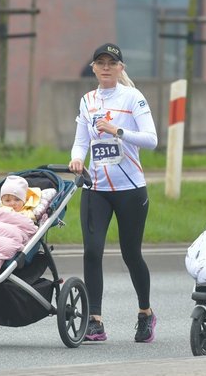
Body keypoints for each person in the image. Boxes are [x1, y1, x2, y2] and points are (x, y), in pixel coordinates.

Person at [68, 43, 159, 343]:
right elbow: (81, 140)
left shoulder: (133, 98)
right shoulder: (88, 100)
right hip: (97, 187)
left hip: (130, 188)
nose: (106, 67)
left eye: (112, 63)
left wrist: (118, 131)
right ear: (93, 68)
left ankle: (145, 313)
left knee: (131, 254)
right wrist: (77, 158)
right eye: (100, 63)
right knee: (92, 251)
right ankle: (95, 320)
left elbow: (151, 140)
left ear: (121, 68)